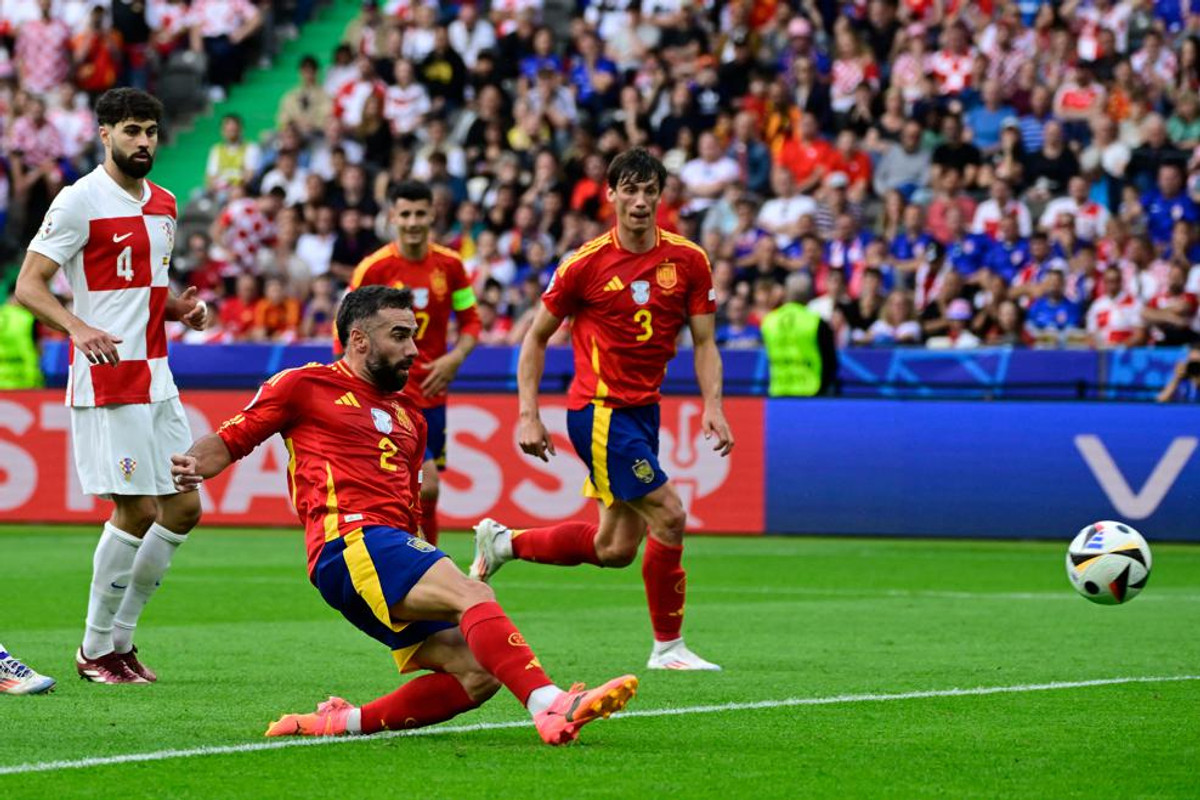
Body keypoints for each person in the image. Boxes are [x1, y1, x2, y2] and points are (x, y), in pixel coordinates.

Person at [170, 286, 637, 744]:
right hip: (349, 542)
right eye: (399, 335)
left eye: (413, 335)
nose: (413, 349)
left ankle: (338, 723)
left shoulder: (411, 417)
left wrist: (429, 557)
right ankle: (551, 703)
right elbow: (233, 438)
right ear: (359, 340)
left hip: (383, 550)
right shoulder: (305, 385)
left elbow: (410, 512)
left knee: (479, 674)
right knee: (472, 593)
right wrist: (192, 464)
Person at [470, 148, 735, 671]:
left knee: (614, 548)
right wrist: (528, 414)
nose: (640, 202)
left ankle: (503, 543)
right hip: (600, 411)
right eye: (629, 190)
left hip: (644, 411)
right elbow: (535, 339)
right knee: (670, 514)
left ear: (661, 197)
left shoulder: (688, 261)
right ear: (610, 195)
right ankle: (668, 648)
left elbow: (705, 342)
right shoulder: (584, 264)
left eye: (649, 191)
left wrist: (714, 405)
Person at [14, 88, 208, 684]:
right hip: (109, 377)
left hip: (157, 374)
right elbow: (29, 285)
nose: (143, 142)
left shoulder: (166, 203)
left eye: (150, 131)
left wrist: (179, 310)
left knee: (184, 507)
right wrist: (77, 327)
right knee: (138, 508)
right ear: (105, 134)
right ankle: (95, 648)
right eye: (131, 131)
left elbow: (142, 291)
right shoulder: (79, 201)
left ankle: (120, 641)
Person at [344, 181, 481, 547]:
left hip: (432, 394)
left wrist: (454, 358)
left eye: (420, 213)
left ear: (433, 215)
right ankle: (424, 561)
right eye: (405, 214)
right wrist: (357, 389)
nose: (413, 222)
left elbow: (471, 322)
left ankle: (420, 559)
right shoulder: (373, 269)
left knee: (420, 493)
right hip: (386, 396)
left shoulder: (451, 266)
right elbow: (345, 334)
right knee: (424, 485)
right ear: (392, 217)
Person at [760, 272, 838, 396]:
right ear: (809, 295)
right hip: (811, 392)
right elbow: (830, 362)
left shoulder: (769, 321)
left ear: (786, 293)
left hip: (778, 391)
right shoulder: (816, 322)